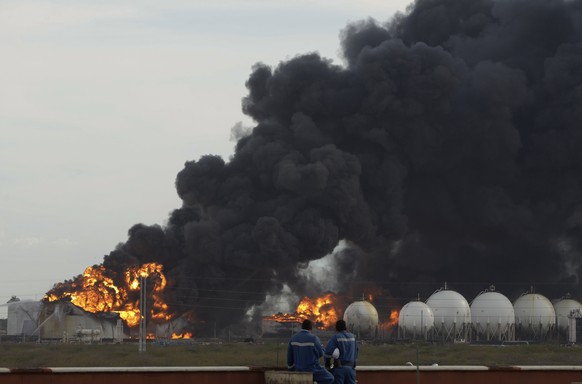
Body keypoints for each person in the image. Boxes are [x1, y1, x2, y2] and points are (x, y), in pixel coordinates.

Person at [287, 319, 334, 384]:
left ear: (302, 327)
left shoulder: (293, 338)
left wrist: (291, 370)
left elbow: (290, 359)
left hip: (298, 369)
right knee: (330, 378)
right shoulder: (314, 338)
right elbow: (320, 353)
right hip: (312, 369)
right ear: (311, 328)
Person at [324, 319, 358, 384]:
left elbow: (327, 353)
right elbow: (356, 352)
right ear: (345, 327)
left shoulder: (336, 337)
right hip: (351, 370)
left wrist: (327, 365)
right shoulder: (353, 337)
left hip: (339, 370)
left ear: (336, 328)